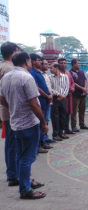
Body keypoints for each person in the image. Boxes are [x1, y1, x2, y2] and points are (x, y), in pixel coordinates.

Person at [0, 51, 47, 199]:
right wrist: (44, 122)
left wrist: (14, 108)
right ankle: (25, 190)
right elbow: (34, 104)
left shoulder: (6, 78)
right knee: (27, 158)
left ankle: (25, 182)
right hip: (28, 124)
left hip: (15, 123)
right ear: (27, 61)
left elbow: (1, 99)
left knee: (20, 156)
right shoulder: (27, 77)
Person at [0, 42, 19, 186]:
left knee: (11, 143)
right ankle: (13, 174)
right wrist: (13, 108)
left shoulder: (3, 66)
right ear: (13, 53)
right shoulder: (10, 69)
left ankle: (13, 172)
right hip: (12, 112)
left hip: (8, 111)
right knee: (13, 143)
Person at [29, 54, 52, 153]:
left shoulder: (39, 72)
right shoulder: (32, 72)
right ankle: (38, 145)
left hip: (45, 101)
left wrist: (49, 95)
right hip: (41, 101)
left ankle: (43, 142)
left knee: (45, 122)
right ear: (34, 61)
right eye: (39, 60)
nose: (41, 62)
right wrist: (47, 96)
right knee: (40, 123)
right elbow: (36, 87)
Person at [49, 62, 70, 141]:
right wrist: (58, 95)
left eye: (51, 68)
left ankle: (62, 133)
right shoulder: (50, 77)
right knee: (55, 117)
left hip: (63, 99)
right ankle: (55, 134)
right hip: (55, 98)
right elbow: (50, 88)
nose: (50, 69)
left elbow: (66, 88)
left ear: (56, 68)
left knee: (62, 116)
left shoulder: (65, 77)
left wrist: (63, 96)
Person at [70, 59, 88, 132]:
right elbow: (73, 83)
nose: (79, 64)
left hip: (83, 95)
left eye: (80, 63)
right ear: (73, 64)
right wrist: (82, 88)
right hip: (75, 94)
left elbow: (85, 80)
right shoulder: (70, 72)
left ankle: (82, 124)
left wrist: (85, 88)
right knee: (74, 111)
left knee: (82, 110)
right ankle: (74, 126)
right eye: (78, 63)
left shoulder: (81, 72)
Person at [58, 58, 76, 135]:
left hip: (69, 96)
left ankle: (67, 128)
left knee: (68, 112)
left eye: (65, 63)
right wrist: (68, 89)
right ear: (58, 64)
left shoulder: (68, 73)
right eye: (61, 63)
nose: (63, 64)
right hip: (62, 96)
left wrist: (72, 88)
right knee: (62, 113)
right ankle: (61, 130)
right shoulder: (57, 73)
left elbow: (73, 82)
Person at [39, 58, 54, 143]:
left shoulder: (45, 75)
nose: (47, 66)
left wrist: (50, 96)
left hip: (48, 99)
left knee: (47, 119)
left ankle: (45, 137)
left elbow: (49, 87)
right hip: (43, 100)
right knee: (43, 120)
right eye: (46, 64)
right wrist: (47, 96)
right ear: (40, 65)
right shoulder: (38, 74)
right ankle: (42, 140)